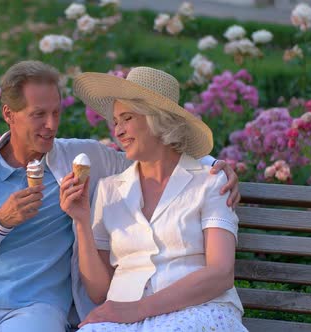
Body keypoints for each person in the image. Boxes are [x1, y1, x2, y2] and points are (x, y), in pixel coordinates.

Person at [0, 61, 240, 332]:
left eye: (56, 112)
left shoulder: (82, 160)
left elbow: (155, 154)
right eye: (38, 114)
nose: (51, 125)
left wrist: (215, 166)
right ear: (8, 114)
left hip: (38, 307)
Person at [59, 67, 247, 331]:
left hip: (197, 310)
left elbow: (220, 273)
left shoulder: (211, 180)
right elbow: (99, 292)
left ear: (157, 119)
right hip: (124, 316)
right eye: (115, 122)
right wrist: (80, 220)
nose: (118, 131)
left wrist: (136, 310)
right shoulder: (109, 189)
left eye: (127, 118)